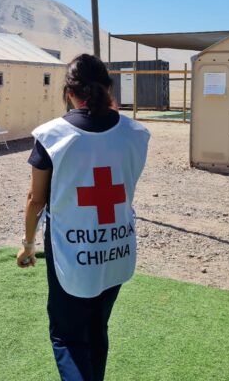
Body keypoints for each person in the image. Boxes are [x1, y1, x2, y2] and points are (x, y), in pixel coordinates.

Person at [17, 54, 150, 381]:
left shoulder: (52, 136)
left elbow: (36, 199)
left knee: (68, 336)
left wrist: (28, 244)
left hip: (71, 253)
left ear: (68, 92)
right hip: (117, 248)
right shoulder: (135, 133)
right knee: (96, 329)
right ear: (108, 88)